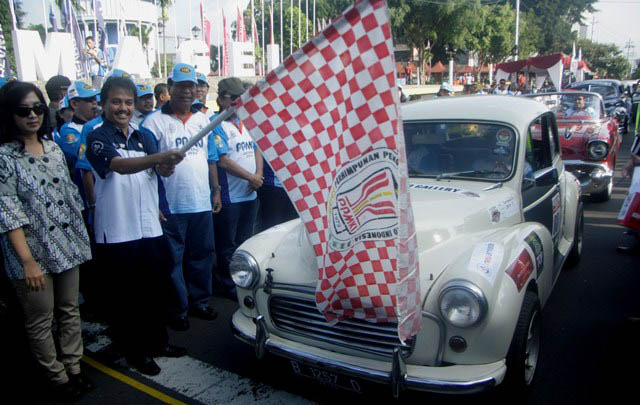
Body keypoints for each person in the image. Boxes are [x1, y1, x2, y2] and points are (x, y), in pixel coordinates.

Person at [85, 76, 187, 376]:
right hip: (118, 231)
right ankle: (135, 351)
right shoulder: (97, 136)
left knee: (154, 290)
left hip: (149, 227)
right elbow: (118, 166)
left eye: (128, 102)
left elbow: (158, 173)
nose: (123, 108)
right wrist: (159, 158)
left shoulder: (144, 137)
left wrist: (166, 165)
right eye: (116, 101)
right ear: (104, 104)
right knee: (127, 299)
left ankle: (157, 342)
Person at [0, 81, 93, 401]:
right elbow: (8, 211)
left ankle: (74, 367)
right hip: (32, 251)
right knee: (40, 318)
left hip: (67, 244)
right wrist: (27, 262)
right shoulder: (5, 156)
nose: (32, 116)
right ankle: (56, 376)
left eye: (38, 108)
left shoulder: (53, 147)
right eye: (23, 110)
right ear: (9, 115)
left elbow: (69, 196)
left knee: (69, 309)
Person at [141, 64, 221, 331]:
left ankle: (200, 301)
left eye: (192, 85)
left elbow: (211, 159)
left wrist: (216, 190)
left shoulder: (203, 119)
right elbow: (147, 166)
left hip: (200, 202)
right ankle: (178, 310)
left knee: (203, 254)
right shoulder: (153, 122)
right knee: (172, 260)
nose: (187, 91)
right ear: (170, 87)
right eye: (182, 85)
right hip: (170, 207)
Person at [210, 77, 263, 298]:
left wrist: (257, 176)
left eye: (241, 98)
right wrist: (252, 176)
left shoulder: (247, 121)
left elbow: (257, 148)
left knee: (245, 240)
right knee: (227, 244)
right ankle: (227, 284)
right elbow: (222, 160)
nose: (238, 102)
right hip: (230, 195)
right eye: (233, 98)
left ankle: (242, 279)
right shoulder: (215, 123)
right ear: (222, 99)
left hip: (250, 193)